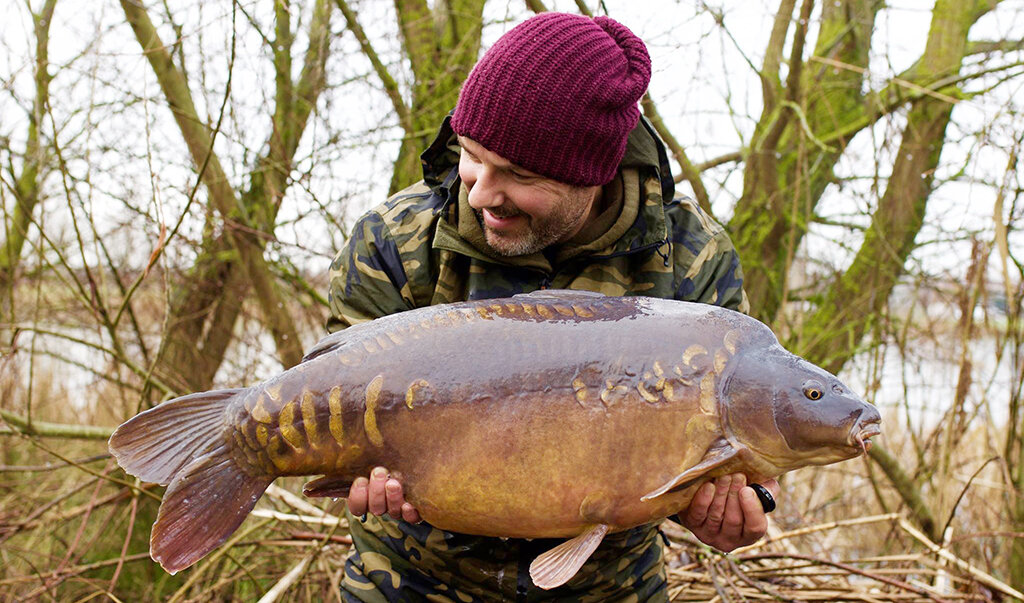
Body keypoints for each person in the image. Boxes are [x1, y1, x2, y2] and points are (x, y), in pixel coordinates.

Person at [326, 12, 780, 602]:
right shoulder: (394, 240)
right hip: (409, 580)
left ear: (592, 176)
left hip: (608, 587)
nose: (482, 192)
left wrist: (741, 503)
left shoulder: (692, 257)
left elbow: (745, 445)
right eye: (470, 153)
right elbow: (339, 390)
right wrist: (356, 465)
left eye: (517, 174)